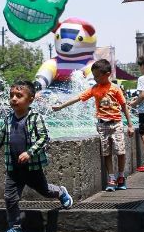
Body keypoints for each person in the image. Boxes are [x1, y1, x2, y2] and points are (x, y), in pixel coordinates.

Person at [0, 81, 73, 232]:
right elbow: (1, 137)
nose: (14, 99)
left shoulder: (35, 118)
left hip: (32, 167)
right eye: (11, 96)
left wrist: (30, 153)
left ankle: (61, 192)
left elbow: (44, 137)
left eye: (19, 96)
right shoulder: (9, 119)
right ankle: (14, 227)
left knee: (44, 190)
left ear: (30, 99)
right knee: (10, 198)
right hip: (14, 168)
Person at [53, 59, 135, 191]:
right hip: (102, 125)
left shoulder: (115, 89)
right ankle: (111, 178)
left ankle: (121, 176)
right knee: (106, 152)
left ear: (107, 74)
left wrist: (130, 125)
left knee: (120, 151)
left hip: (116, 124)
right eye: (94, 76)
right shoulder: (94, 89)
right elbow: (78, 98)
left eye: (97, 76)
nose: (95, 78)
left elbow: (124, 106)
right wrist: (61, 106)